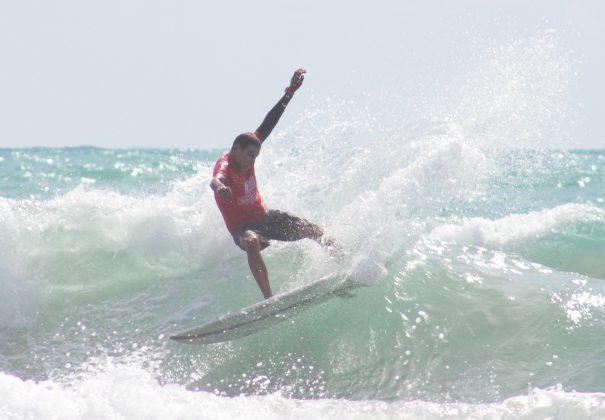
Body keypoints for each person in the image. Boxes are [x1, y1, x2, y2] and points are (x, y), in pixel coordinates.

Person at [210, 69, 336, 299]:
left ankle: (345, 259)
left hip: (266, 218)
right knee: (250, 241)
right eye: (249, 156)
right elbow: (215, 179)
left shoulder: (249, 152)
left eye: (255, 157)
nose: (251, 161)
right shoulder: (226, 164)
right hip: (243, 228)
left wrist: (289, 93)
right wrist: (220, 188)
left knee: (312, 229)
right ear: (235, 149)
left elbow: (269, 123)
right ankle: (269, 299)